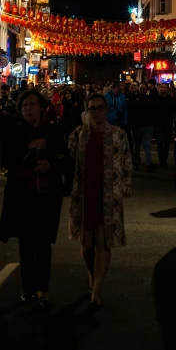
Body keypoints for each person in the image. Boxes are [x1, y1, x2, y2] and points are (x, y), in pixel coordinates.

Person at [0, 89, 69, 310]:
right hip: (22, 195)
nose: (28, 108)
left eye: (32, 104)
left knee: (43, 243)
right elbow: (6, 159)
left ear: (42, 108)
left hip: (47, 195)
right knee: (26, 244)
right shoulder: (15, 132)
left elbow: (66, 159)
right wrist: (28, 147)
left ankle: (42, 289)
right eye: (24, 104)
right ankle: (27, 289)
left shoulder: (53, 131)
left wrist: (51, 165)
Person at [68, 93, 132, 309]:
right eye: (92, 108)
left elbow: (126, 162)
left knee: (104, 241)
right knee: (86, 244)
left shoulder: (118, 135)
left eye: (100, 107)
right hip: (84, 194)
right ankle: (91, 274)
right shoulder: (78, 135)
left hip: (108, 195)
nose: (96, 111)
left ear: (107, 110)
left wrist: (123, 188)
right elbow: (68, 159)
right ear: (86, 111)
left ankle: (97, 288)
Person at [128, 82, 156, 171]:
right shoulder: (133, 99)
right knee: (137, 146)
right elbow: (131, 113)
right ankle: (136, 163)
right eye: (141, 89)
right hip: (137, 126)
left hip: (147, 126)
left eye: (144, 89)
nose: (142, 90)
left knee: (146, 145)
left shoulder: (149, 99)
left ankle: (148, 163)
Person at [156, 83, 176, 167]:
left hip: (168, 124)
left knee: (167, 143)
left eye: (163, 87)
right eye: (160, 87)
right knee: (160, 142)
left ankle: (165, 159)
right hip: (159, 124)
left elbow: (174, 112)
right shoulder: (156, 100)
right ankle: (161, 161)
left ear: (167, 89)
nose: (161, 89)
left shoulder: (171, 100)